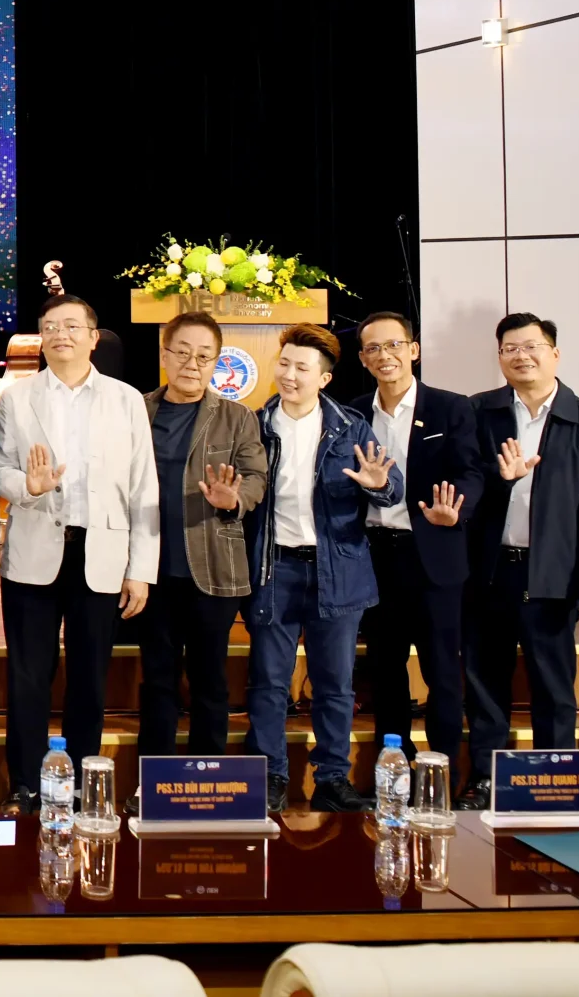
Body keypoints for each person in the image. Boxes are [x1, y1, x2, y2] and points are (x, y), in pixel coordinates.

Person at [0, 294, 157, 811]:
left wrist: (141, 568)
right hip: (33, 552)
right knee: (27, 677)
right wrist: (29, 486)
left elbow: (143, 486)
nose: (60, 334)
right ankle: (25, 783)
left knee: (89, 678)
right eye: (50, 327)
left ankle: (84, 784)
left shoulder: (126, 399)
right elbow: (0, 469)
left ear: (93, 337)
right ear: (40, 339)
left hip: (101, 553)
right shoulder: (16, 398)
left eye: (71, 326)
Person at [463, 312, 579, 807]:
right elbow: (468, 488)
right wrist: (501, 481)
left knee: (553, 686)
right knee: (485, 682)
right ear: (499, 357)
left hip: (554, 574)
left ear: (554, 353)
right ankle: (486, 779)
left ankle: (556, 779)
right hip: (490, 571)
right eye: (510, 348)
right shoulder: (479, 412)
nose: (521, 356)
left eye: (531, 346)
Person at [242, 324, 401, 813]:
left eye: (302, 368)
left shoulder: (351, 426)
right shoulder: (254, 424)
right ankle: (270, 774)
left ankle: (333, 777)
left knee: (335, 684)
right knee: (269, 680)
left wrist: (377, 485)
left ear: (324, 378)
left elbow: (391, 489)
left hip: (338, 570)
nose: (289, 375)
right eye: (284, 364)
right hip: (274, 568)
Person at [352, 309, 483, 782]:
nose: (384, 355)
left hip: (433, 555)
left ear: (414, 350)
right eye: (373, 348)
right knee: (385, 670)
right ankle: (394, 772)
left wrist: (456, 511)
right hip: (374, 557)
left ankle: (442, 773)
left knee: (441, 672)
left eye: (393, 345)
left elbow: (471, 472)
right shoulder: (353, 413)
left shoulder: (450, 407)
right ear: (363, 359)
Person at [132, 311, 265, 764]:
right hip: (149, 569)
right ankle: (156, 779)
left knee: (210, 679)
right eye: (183, 353)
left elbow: (256, 476)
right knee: (158, 678)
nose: (192, 364)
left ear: (216, 363)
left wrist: (234, 498)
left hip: (213, 567)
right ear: (164, 354)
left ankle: (209, 775)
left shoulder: (236, 416)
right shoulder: (137, 410)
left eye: (204, 356)